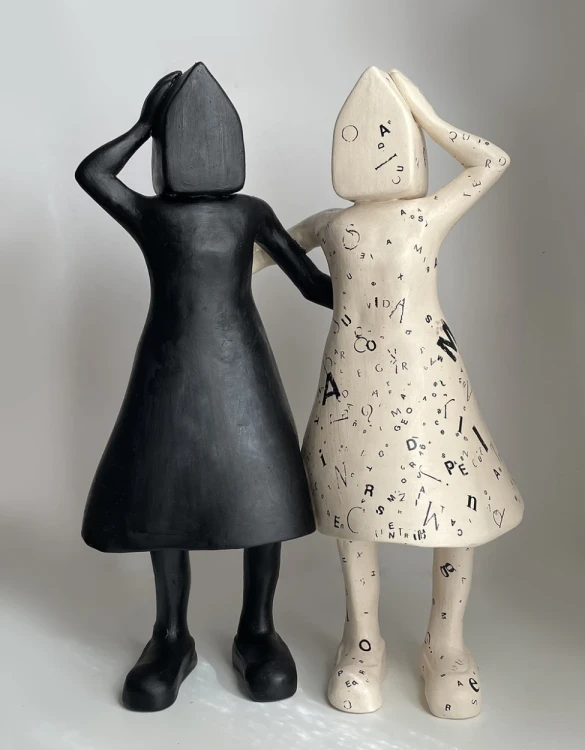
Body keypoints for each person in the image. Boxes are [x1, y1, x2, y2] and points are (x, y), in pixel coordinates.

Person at [254, 67, 523, 719]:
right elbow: (257, 253)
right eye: (356, 134)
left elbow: (491, 161)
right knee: (353, 510)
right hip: (353, 382)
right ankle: (362, 642)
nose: (371, 145)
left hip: (430, 383)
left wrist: (430, 118)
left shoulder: (427, 213)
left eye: (386, 132)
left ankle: (446, 645)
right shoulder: (331, 225)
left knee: (455, 506)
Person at [75, 62, 333, 712]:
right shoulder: (153, 216)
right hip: (170, 367)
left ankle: (258, 628)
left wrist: (384, 284)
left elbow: (311, 284)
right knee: (163, 487)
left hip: (242, 366)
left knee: (262, 489)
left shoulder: (249, 213)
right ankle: (170, 636)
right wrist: (144, 123)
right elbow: (93, 175)